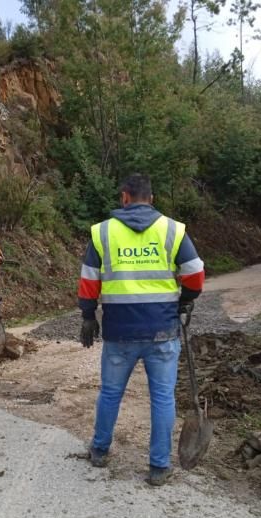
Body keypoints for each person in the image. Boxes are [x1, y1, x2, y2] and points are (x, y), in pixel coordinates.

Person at [77, 173, 205, 486]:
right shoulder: (172, 230)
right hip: (162, 330)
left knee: (110, 393)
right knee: (162, 398)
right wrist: (184, 301)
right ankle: (159, 467)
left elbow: (89, 279)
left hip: (119, 332)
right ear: (152, 199)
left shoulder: (103, 232)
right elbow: (195, 274)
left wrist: (87, 316)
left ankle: (99, 451)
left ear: (123, 197)